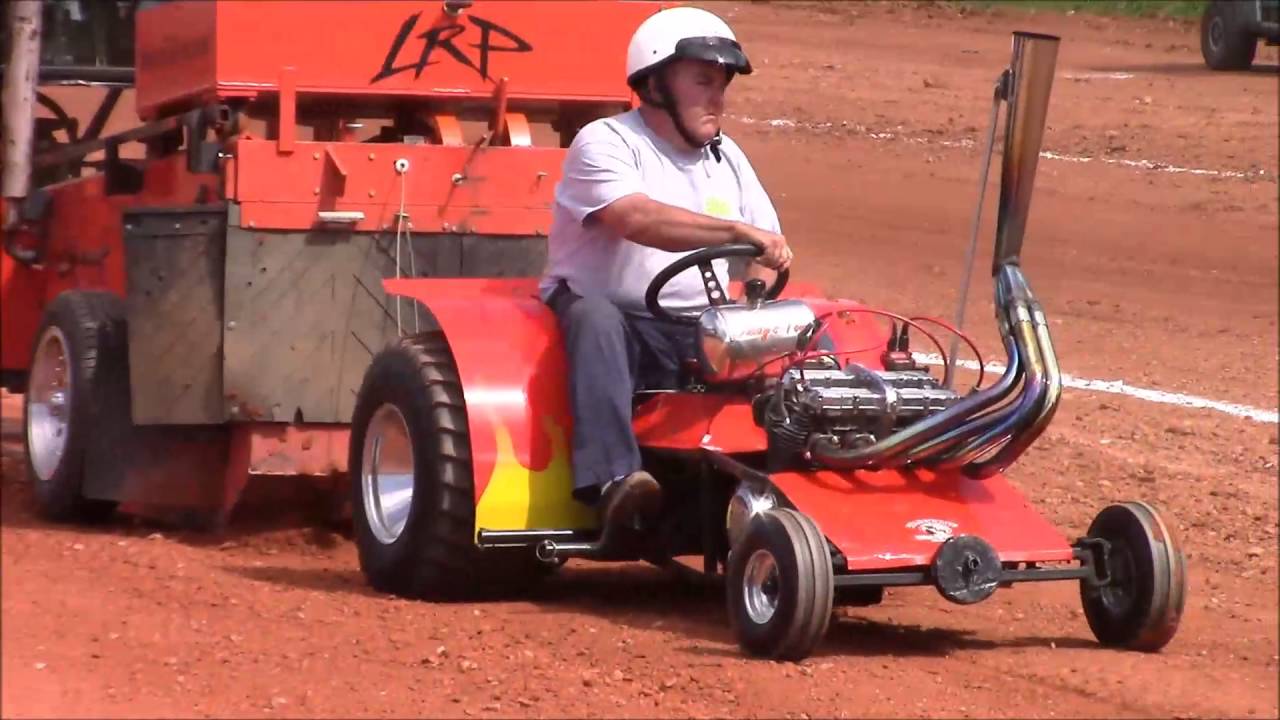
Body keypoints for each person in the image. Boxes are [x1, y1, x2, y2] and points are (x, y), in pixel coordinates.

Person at [538, 6, 793, 543]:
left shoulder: (728, 159)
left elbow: (766, 246)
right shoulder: (606, 141)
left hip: (695, 325)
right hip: (616, 317)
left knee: (800, 328)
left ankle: (803, 479)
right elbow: (635, 219)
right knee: (596, 318)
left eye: (722, 84)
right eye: (702, 82)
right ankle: (612, 480)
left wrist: (763, 273)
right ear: (654, 85)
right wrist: (733, 233)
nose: (717, 97)